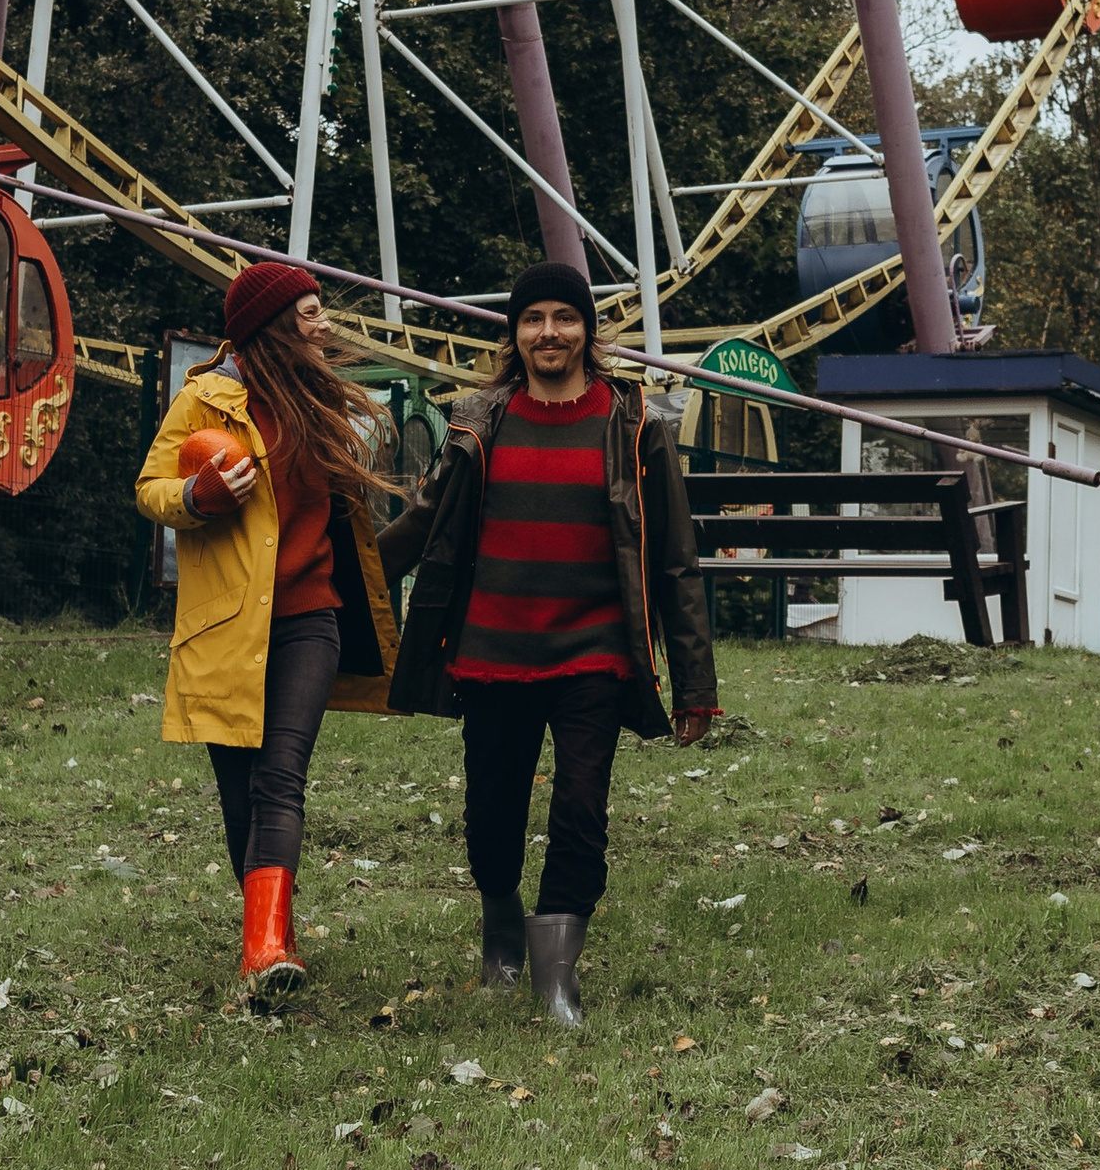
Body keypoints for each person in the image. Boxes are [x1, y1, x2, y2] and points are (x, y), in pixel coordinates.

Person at [379, 261, 717, 1026]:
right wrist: (339, 576)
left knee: (580, 811)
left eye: (565, 318)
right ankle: (502, 925)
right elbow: (421, 525)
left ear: (587, 332)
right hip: (491, 652)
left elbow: (675, 561)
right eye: (534, 319)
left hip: (593, 653)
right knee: (490, 814)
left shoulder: (633, 427)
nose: (549, 333)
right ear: (515, 332)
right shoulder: (480, 423)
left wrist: (696, 681)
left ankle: (557, 978)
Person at [136, 261, 399, 1002]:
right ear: (271, 323)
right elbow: (151, 490)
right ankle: (268, 930)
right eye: (309, 311)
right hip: (225, 625)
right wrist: (200, 494)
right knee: (240, 793)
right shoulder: (205, 400)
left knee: (282, 776)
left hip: (310, 620)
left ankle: (265, 953)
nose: (322, 322)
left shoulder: (324, 402)